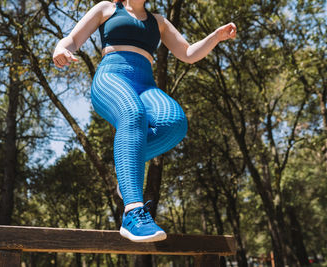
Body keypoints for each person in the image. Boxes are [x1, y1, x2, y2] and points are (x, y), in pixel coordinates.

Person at [53, 0, 236, 242]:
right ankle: (132, 214)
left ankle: (126, 171)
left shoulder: (158, 22)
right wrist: (61, 49)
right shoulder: (107, 9)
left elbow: (187, 53)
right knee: (133, 114)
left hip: (145, 85)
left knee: (175, 123)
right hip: (111, 78)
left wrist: (215, 37)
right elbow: (73, 40)